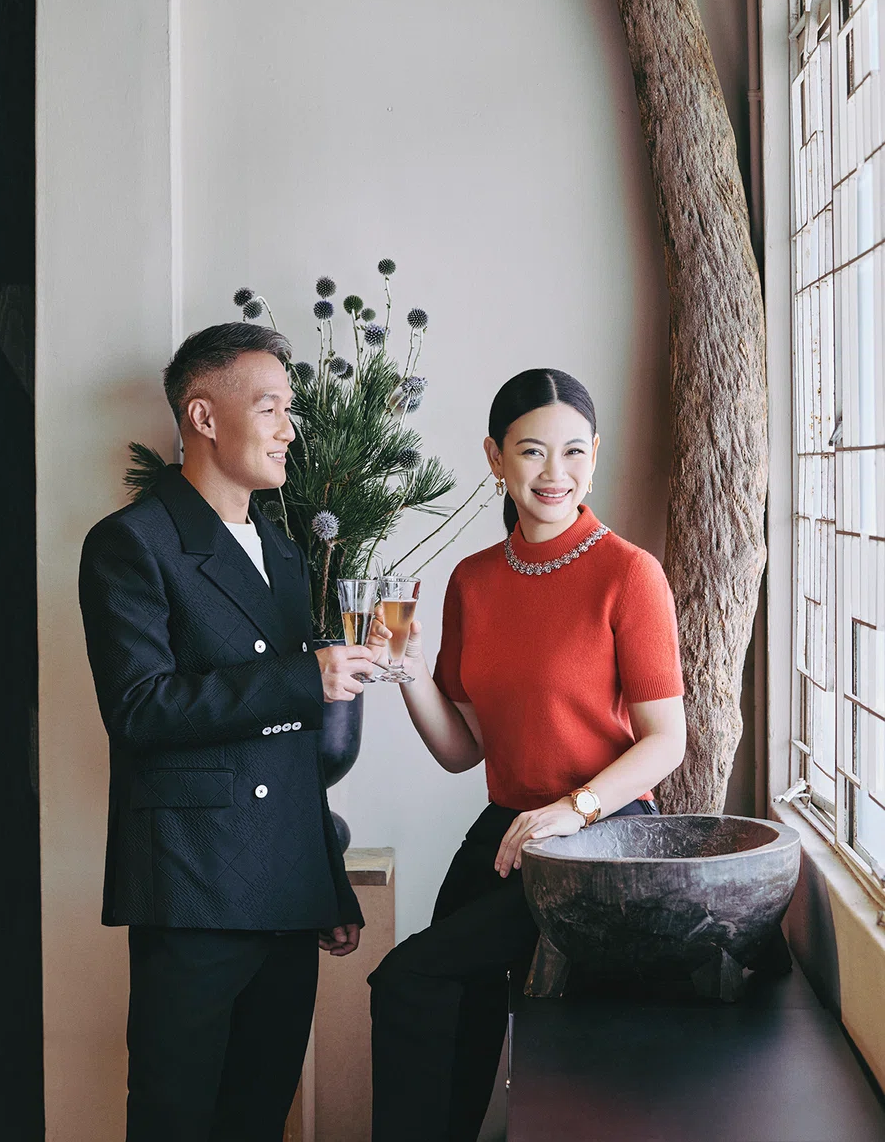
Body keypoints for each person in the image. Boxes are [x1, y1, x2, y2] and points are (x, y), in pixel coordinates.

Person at [79, 322, 381, 1142]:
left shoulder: (282, 554)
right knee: (176, 1122)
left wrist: (327, 874)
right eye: (273, 406)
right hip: (192, 889)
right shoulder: (131, 544)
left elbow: (289, 747)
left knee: (257, 1119)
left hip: (285, 889)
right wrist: (302, 676)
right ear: (205, 416)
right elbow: (139, 708)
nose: (291, 428)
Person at [367, 368, 686, 1142]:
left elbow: (666, 741)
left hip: (603, 836)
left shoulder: (629, 574)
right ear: (494, 457)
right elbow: (460, 748)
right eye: (533, 451)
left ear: (596, 454)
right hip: (508, 829)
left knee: (415, 976)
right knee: (433, 991)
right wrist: (407, 672)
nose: (556, 473)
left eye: (575, 451)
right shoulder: (472, 582)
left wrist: (569, 809)